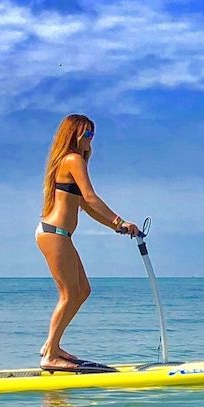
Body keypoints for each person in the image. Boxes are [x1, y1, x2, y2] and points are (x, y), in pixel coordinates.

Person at [36, 114, 138, 372]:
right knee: (70, 294)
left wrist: (117, 226)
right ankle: (50, 354)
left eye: (93, 135)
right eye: (87, 134)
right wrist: (119, 220)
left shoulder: (69, 161)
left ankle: (52, 346)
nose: (91, 140)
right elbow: (92, 198)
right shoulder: (73, 159)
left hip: (59, 235)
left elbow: (85, 206)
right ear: (74, 134)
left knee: (82, 291)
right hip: (54, 233)